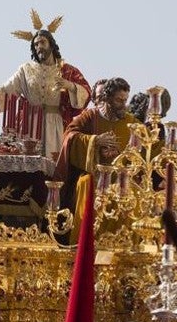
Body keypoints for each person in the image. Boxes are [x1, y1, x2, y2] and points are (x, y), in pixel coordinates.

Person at [0, 23, 91, 158]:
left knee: (55, 162)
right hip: (30, 123)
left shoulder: (67, 70)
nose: (39, 47)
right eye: (36, 44)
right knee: (28, 162)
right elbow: (7, 90)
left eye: (42, 42)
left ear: (51, 44)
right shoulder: (26, 69)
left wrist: (69, 85)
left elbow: (86, 92)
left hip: (56, 123)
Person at [54, 77, 139, 243]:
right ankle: (85, 246)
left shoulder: (131, 122)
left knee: (133, 194)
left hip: (120, 180)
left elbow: (152, 143)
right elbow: (69, 136)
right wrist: (94, 141)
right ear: (106, 99)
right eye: (118, 100)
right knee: (87, 185)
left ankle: (122, 248)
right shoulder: (90, 117)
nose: (123, 104)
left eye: (125, 100)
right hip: (94, 176)